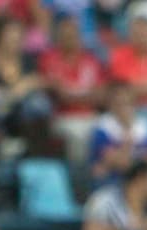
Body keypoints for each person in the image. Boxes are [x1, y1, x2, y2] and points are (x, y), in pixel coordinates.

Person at [39, 15, 108, 163]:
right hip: (63, 117)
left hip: (91, 115)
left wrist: (72, 95)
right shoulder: (49, 59)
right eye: (65, 36)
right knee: (77, 135)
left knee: (107, 131)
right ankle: (79, 182)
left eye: (73, 35)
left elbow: (102, 95)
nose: (70, 39)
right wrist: (85, 96)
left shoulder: (90, 60)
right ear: (58, 38)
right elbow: (60, 95)